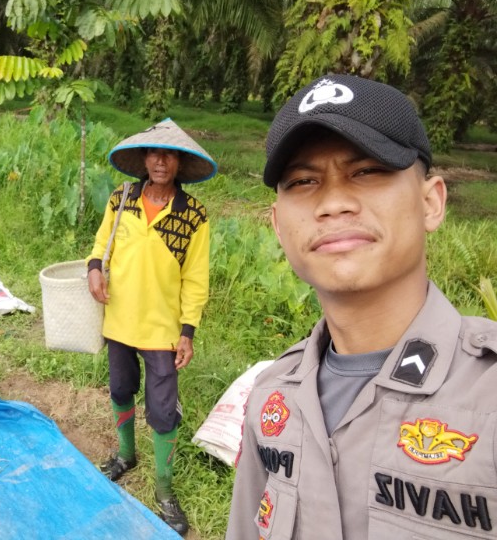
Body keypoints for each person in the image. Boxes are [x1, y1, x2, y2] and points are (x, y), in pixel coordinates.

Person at [225, 73, 497, 540]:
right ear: (276, 224)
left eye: (367, 171)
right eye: (304, 181)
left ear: (431, 202)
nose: (332, 203)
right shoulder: (273, 398)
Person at [87, 118, 217, 536]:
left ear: (179, 162)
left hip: (162, 329)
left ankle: (164, 489)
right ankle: (126, 456)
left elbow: (196, 278)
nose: (161, 161)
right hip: (119, 321)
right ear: (144, 159)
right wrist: (94, 270)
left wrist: (188, 330)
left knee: (162, 413)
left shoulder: (193, 216)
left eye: (170, 154)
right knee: (121, 389)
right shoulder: (121, 198)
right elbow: (99, 244)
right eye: (154, 153)